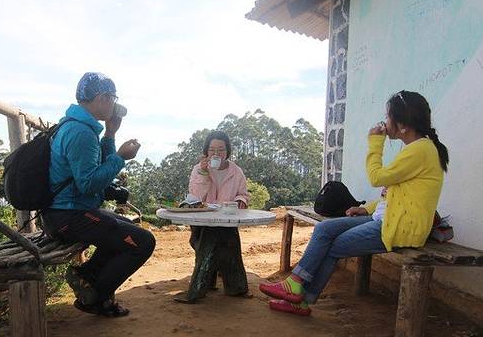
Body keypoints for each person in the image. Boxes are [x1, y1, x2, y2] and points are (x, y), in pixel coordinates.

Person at [260, 90, 449, 316]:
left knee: (334, 245)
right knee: (324, 229)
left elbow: (377, 178)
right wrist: (365, 208)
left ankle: (300, 298)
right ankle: (296, 286)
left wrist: (375, 143)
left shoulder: (421, 149)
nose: (385, 121)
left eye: (388, 116)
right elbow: (393, 194)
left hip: (398, 228)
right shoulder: (418, 148)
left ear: (402, 125)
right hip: (385, 219)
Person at [41, 72, 156, 317]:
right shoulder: (80, 132)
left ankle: (86, 275)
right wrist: (121, 158)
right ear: (103, 98)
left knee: (126, 227)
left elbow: (98, 165)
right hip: (69, 216)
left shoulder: (79, 126)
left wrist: (110, 134)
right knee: (144, 242)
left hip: (69, 212)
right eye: (113, 98)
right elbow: (89, 184)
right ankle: (93, 297)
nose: (114, 104)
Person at [175, 130, 251, 303]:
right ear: (206, 151)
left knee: (220, 237)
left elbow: (243, 194)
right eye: (212, 150)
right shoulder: (198, 169)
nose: (216, 154)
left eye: (221, 150)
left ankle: (201, 287)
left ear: (227, 151)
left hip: (227, 220)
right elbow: (194, 197)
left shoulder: (236, 171)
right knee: (219, 237)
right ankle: (236, 286)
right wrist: (203, 173)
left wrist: (240, 201)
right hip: (202, 221)